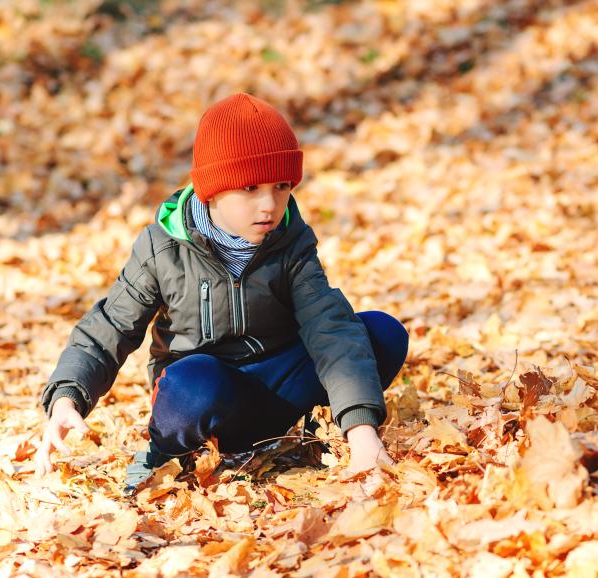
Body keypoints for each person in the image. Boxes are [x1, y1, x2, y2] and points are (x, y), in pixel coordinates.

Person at [36, 93, 409, 494]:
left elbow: (328, 326)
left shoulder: (290, 241)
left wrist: (362, 431)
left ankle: (321, 425)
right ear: (211, 191)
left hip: (282, 384)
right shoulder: (163, 249)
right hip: (214, 397)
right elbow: (109, 326)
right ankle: (164, 454)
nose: (269, 204)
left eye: (281, 186)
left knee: (378, 332)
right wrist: (68, 397)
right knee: (191, 383)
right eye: (250, 188)